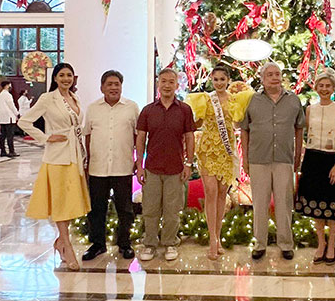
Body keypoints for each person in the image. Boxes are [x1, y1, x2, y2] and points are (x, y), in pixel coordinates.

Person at [18, 63, 90, 271]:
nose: (66, 79)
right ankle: (66, 246)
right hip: (57, 157)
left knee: (70, 201)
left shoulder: (75, 98)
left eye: (69, 75)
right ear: (55, 78)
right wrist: (46, 137)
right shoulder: (47, 99)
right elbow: (25, 121)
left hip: (75, 155)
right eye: (62, 75)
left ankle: (60, 241)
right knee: (60, 202)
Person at [187, 66, 253, 260]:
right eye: (215, 79)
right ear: (211, 80)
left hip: (226, 151)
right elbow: (196, 124)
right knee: (211, 193)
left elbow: (240, 123)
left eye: (222, 79)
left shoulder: (235, 101)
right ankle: (212, 241)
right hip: (208, 150)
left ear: (228, 80)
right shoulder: (205, 100)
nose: (219, 83)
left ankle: (218, 236)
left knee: (222, 194)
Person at [240, 62, 305, 261]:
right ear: (262, 78)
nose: (274, 77)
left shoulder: (293, 100)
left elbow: (299, 128)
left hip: (284, 159)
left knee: (285, 202)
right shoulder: (252, 100)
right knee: (260, 203)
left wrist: (297, 157)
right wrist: (245, 159)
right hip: (259, 158)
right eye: (270, 74)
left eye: (277, 73)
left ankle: (286, 244)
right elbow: (244, 129)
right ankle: (260, 243)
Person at [136, 68, 195, 262]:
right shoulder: (148, 110)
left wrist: (188, 163)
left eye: (171, 82)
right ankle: (150, 244)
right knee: (151, 209)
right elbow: (141, 138)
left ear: (177, 85)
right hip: (152, 168)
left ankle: (170, 242)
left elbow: (189, 137)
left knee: (172, 210)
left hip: (175, 169)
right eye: (163, 81)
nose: (167, 85)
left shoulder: (185, 110)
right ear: (158, 84)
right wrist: (139, 165)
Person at [82, 70, 140, 262]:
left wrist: (137, 159)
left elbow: (137, 136)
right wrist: (88, 161)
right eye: (110, 84)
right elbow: (88, 136)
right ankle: (98, 244)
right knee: (97, 208)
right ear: (102, 87)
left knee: (125, 209)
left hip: (123, 165)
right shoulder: (92, 108)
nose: (114, 87)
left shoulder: (131, 107)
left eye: (117, 84)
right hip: (98, 167)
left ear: (121, 87)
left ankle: (124, 243)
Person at [295, 67, 335, 264]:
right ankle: (320, 243)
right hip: (313, 160)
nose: (324, 89)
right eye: (321, 85)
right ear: (316, 87)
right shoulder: (310, 109)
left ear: (334, 87)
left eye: (328, 86)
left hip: (332, 159)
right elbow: (304, 134)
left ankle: (332, 243)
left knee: (332, 203)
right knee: (315, 202)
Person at [0, 80, 19, 158]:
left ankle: (3, 151)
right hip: (9, 117)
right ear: (7, 86)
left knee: (3, 135)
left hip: (2, 118)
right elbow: (11, 105)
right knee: (10, 135)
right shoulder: (7, 95)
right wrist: (17, 113)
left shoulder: (0, 94)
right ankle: (11, 151)